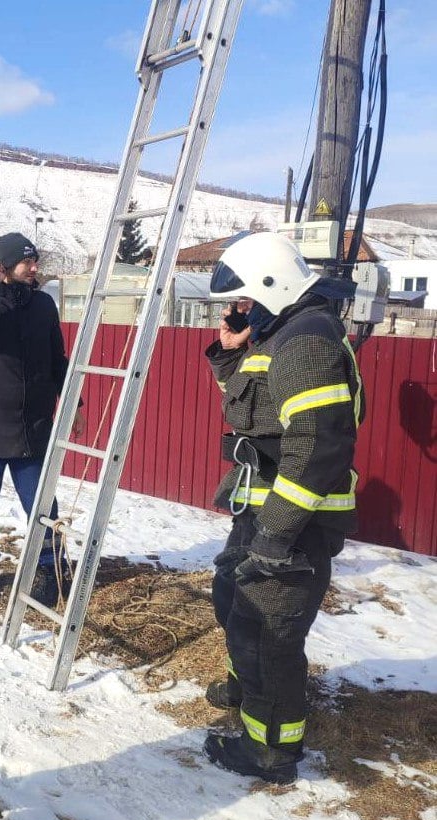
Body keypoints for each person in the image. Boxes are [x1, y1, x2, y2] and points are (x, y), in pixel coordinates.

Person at [203, 232, 364, 784]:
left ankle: (270, 750)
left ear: (273, 285)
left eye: (246, 298)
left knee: (266, 633)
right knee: (232, 601)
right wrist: (230, 348)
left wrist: (275, 535)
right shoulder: (279, 333)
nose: (239, 308)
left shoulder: (306, 340)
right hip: (259, 507)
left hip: (293, 520)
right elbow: (253, 406)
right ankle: (243, 689)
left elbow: (317, 447)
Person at [0, 231, 74, 609]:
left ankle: (49, 567)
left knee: (41, 502)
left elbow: (58, 358)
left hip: (33, 425)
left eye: (35, 261)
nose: (34, 268)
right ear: (5, 266)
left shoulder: (42, 305)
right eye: (27, 262)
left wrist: (77, 404)